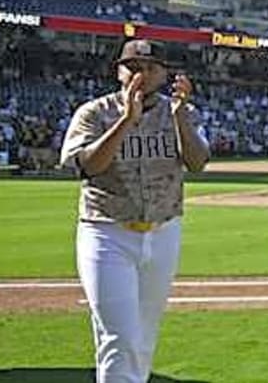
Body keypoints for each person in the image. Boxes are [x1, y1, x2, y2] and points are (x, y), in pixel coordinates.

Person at [59, 39, 210, 383]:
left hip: (162, 231)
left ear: (164, 73)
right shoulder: (94, 113)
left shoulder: (181, 112)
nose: (141, 74)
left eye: (150, 67)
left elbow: (198, 163)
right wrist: (126, 120)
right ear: (119, 71)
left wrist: (179, 119)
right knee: (119, 337)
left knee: (143, 337)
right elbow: (86, 166)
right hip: (106, 232)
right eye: (134, 66)